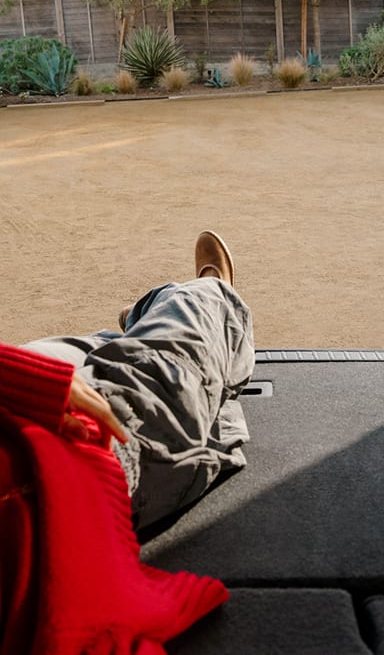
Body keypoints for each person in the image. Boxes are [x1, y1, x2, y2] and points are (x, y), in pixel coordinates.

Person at [0, 230, 255, 652]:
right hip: (66, 466)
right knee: (198, 310)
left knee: (96, 352)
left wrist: (28, 380)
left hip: (19, 402)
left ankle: (152, 324)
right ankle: (193, 300)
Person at [20, 229, 256, 530]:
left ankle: (152, 323)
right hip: (53, 464)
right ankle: (203, 303)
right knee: (199, 307)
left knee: (90, 349)